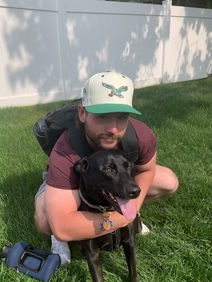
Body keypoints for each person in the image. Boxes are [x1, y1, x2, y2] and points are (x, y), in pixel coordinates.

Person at [34, 71, 179, 265]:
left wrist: (132, 209)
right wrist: (121, 220)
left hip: (111, 176)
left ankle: (118, 205)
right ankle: (60, 241)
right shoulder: (65, 149)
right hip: (72, 180)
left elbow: (146, 170)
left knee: (169, 181)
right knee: (46, 220)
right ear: (83, 113)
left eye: (121, 117)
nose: (113, 128)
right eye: (103, 116)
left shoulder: (141, 135)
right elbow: (62, 227)